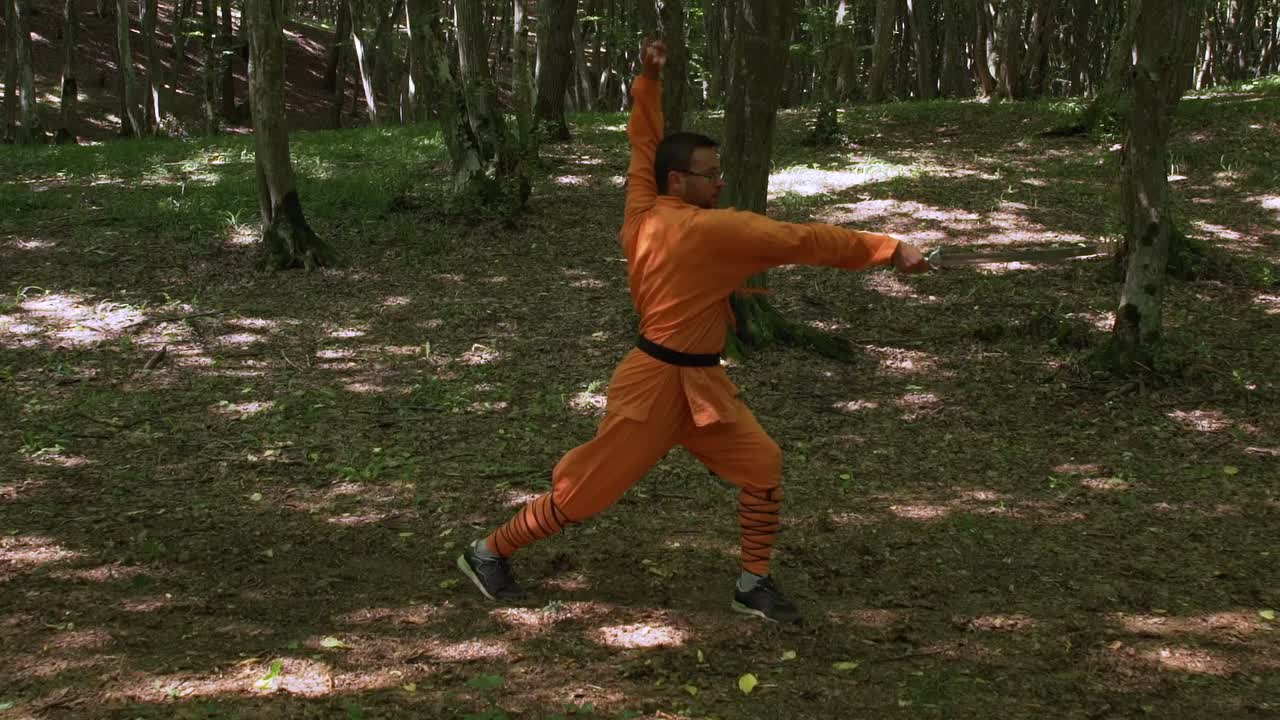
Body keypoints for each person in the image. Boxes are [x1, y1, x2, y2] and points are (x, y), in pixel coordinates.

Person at [457, 39, 930, 624]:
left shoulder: (641, 208)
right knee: (586, 495)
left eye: (721, 173)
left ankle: (753, 582)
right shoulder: (712, 232)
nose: (720, 184)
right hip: (654, 386)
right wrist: (889, 248)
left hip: (702, 386)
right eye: (710, 176)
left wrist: (648, 81)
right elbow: (802, 241)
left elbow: (643, 146)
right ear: (678, 182)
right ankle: (487, 552)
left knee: (762, 464)